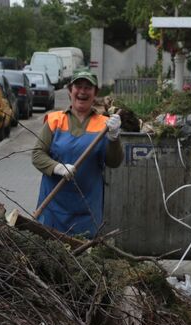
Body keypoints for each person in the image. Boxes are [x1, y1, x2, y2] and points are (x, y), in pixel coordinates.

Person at [31, 69, 122, 238]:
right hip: (53, 207)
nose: (82, 91)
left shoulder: (105, 124)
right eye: (78, 86)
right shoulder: (55, 120)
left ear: (95, 93)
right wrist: (57, 167)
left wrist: (114, 138)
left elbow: (114, 162)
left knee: (82, 258)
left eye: (88, 87)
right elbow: (37, 155)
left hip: (87, 209)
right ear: (70, 91)